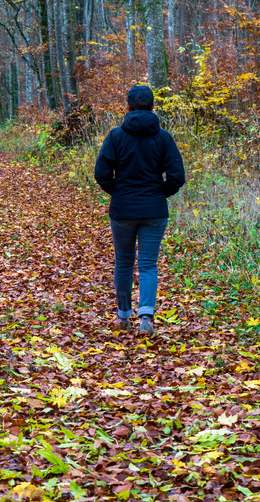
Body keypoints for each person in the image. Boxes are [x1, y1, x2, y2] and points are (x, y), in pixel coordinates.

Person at [94, 85, 186, 334]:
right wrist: (159, 194)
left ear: (128, 106)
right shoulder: (163, 137)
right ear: (153, 106)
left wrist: (118, 192)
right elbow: (177, 176)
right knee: (147, 264)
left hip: (123, 210)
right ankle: (145, 318)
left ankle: (123, 317)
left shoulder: (115, 136)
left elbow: (101, 173)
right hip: (154, 210)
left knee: (124, 262)